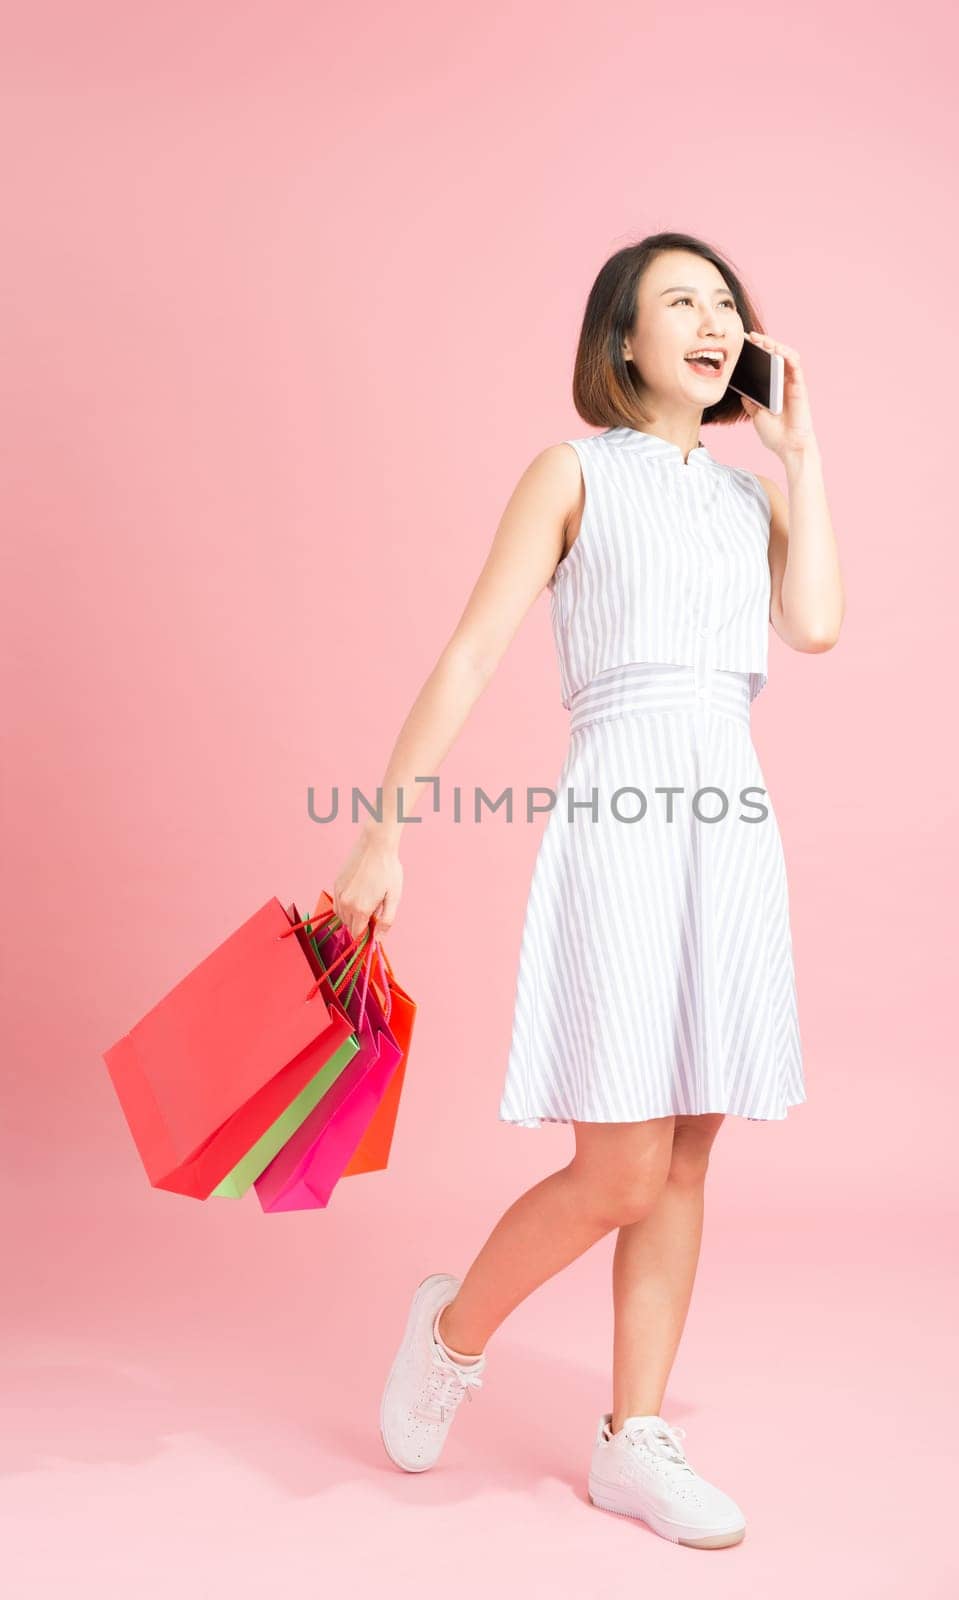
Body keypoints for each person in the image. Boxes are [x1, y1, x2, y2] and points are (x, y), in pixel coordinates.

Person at [333, 230, 844, 1549]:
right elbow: (472, 651)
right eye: (682, 300)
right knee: (619, 1164)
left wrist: (798, 457)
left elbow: (819, 623)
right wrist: (383, 836)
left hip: (728, 825)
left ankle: (635, 1437)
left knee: (686, 1152)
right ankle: (450, 1335)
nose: (715, 320)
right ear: (621, 341)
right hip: (622, 820)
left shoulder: (751, 498)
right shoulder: (571, 475)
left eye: (727, 303)